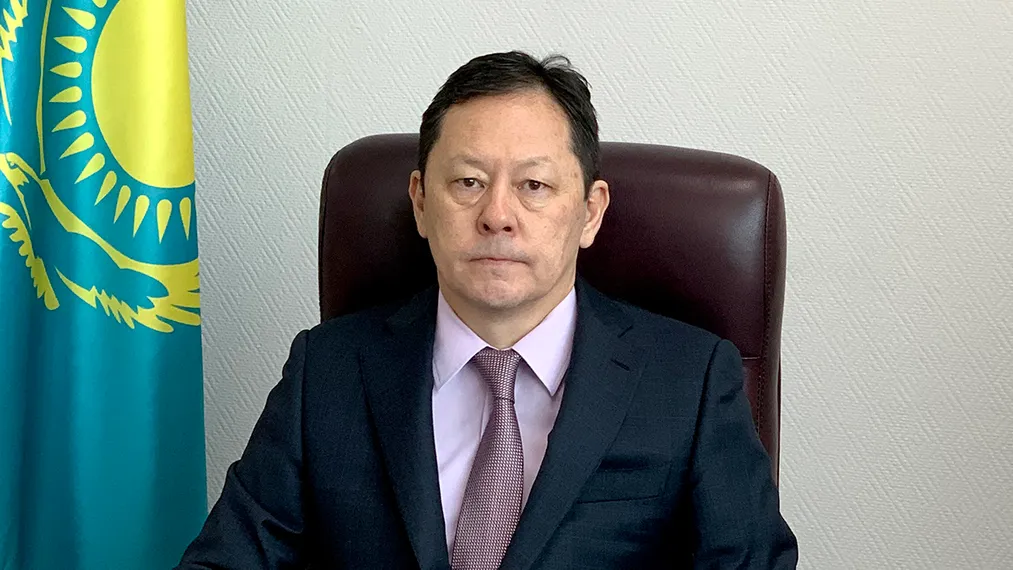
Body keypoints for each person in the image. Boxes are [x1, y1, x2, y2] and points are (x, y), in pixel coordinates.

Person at [177, 51, 798, 569]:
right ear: (421, 202)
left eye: (534, 185)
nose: (497, 215)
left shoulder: (689, 382)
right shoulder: (327, 371)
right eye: (468, 182)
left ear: (590, 212)